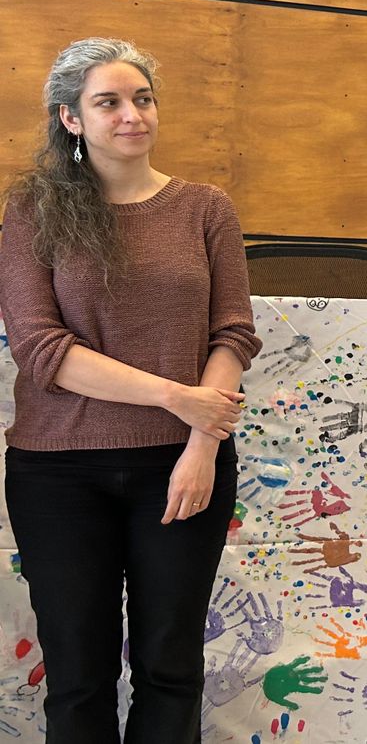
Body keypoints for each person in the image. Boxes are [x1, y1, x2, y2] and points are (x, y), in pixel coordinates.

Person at [0, 38, 261, 741]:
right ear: (71, 120)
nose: (131, 115)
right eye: (107, 102)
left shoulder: (206, 209)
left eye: (141, 98)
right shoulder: (33, 210)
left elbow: (232, 334)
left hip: (182, 467)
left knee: (170, 667)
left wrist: (203, 443)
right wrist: (176, 398)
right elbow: (41, 349)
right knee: (78, 677)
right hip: (57, 471)